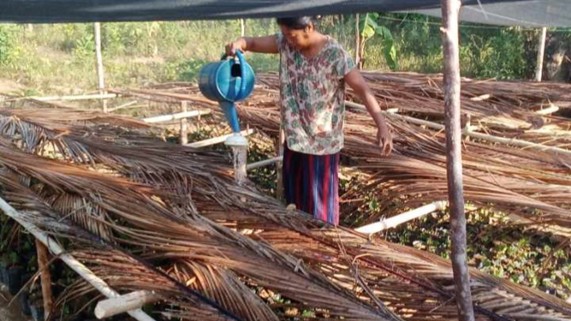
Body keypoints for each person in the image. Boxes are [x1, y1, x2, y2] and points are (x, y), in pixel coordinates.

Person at [225, 16, 393, 226]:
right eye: (284, 35)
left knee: (320, 213)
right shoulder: (286, 43)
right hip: (295, 140)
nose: (288, 40)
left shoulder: (335, 54)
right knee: (294, 205)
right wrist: (239, 43)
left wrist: (382, 126)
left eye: (292, 35)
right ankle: (299, 248)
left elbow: (362, 89)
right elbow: (251, 43)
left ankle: (322, 253)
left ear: (309, 27)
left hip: (321, 146)